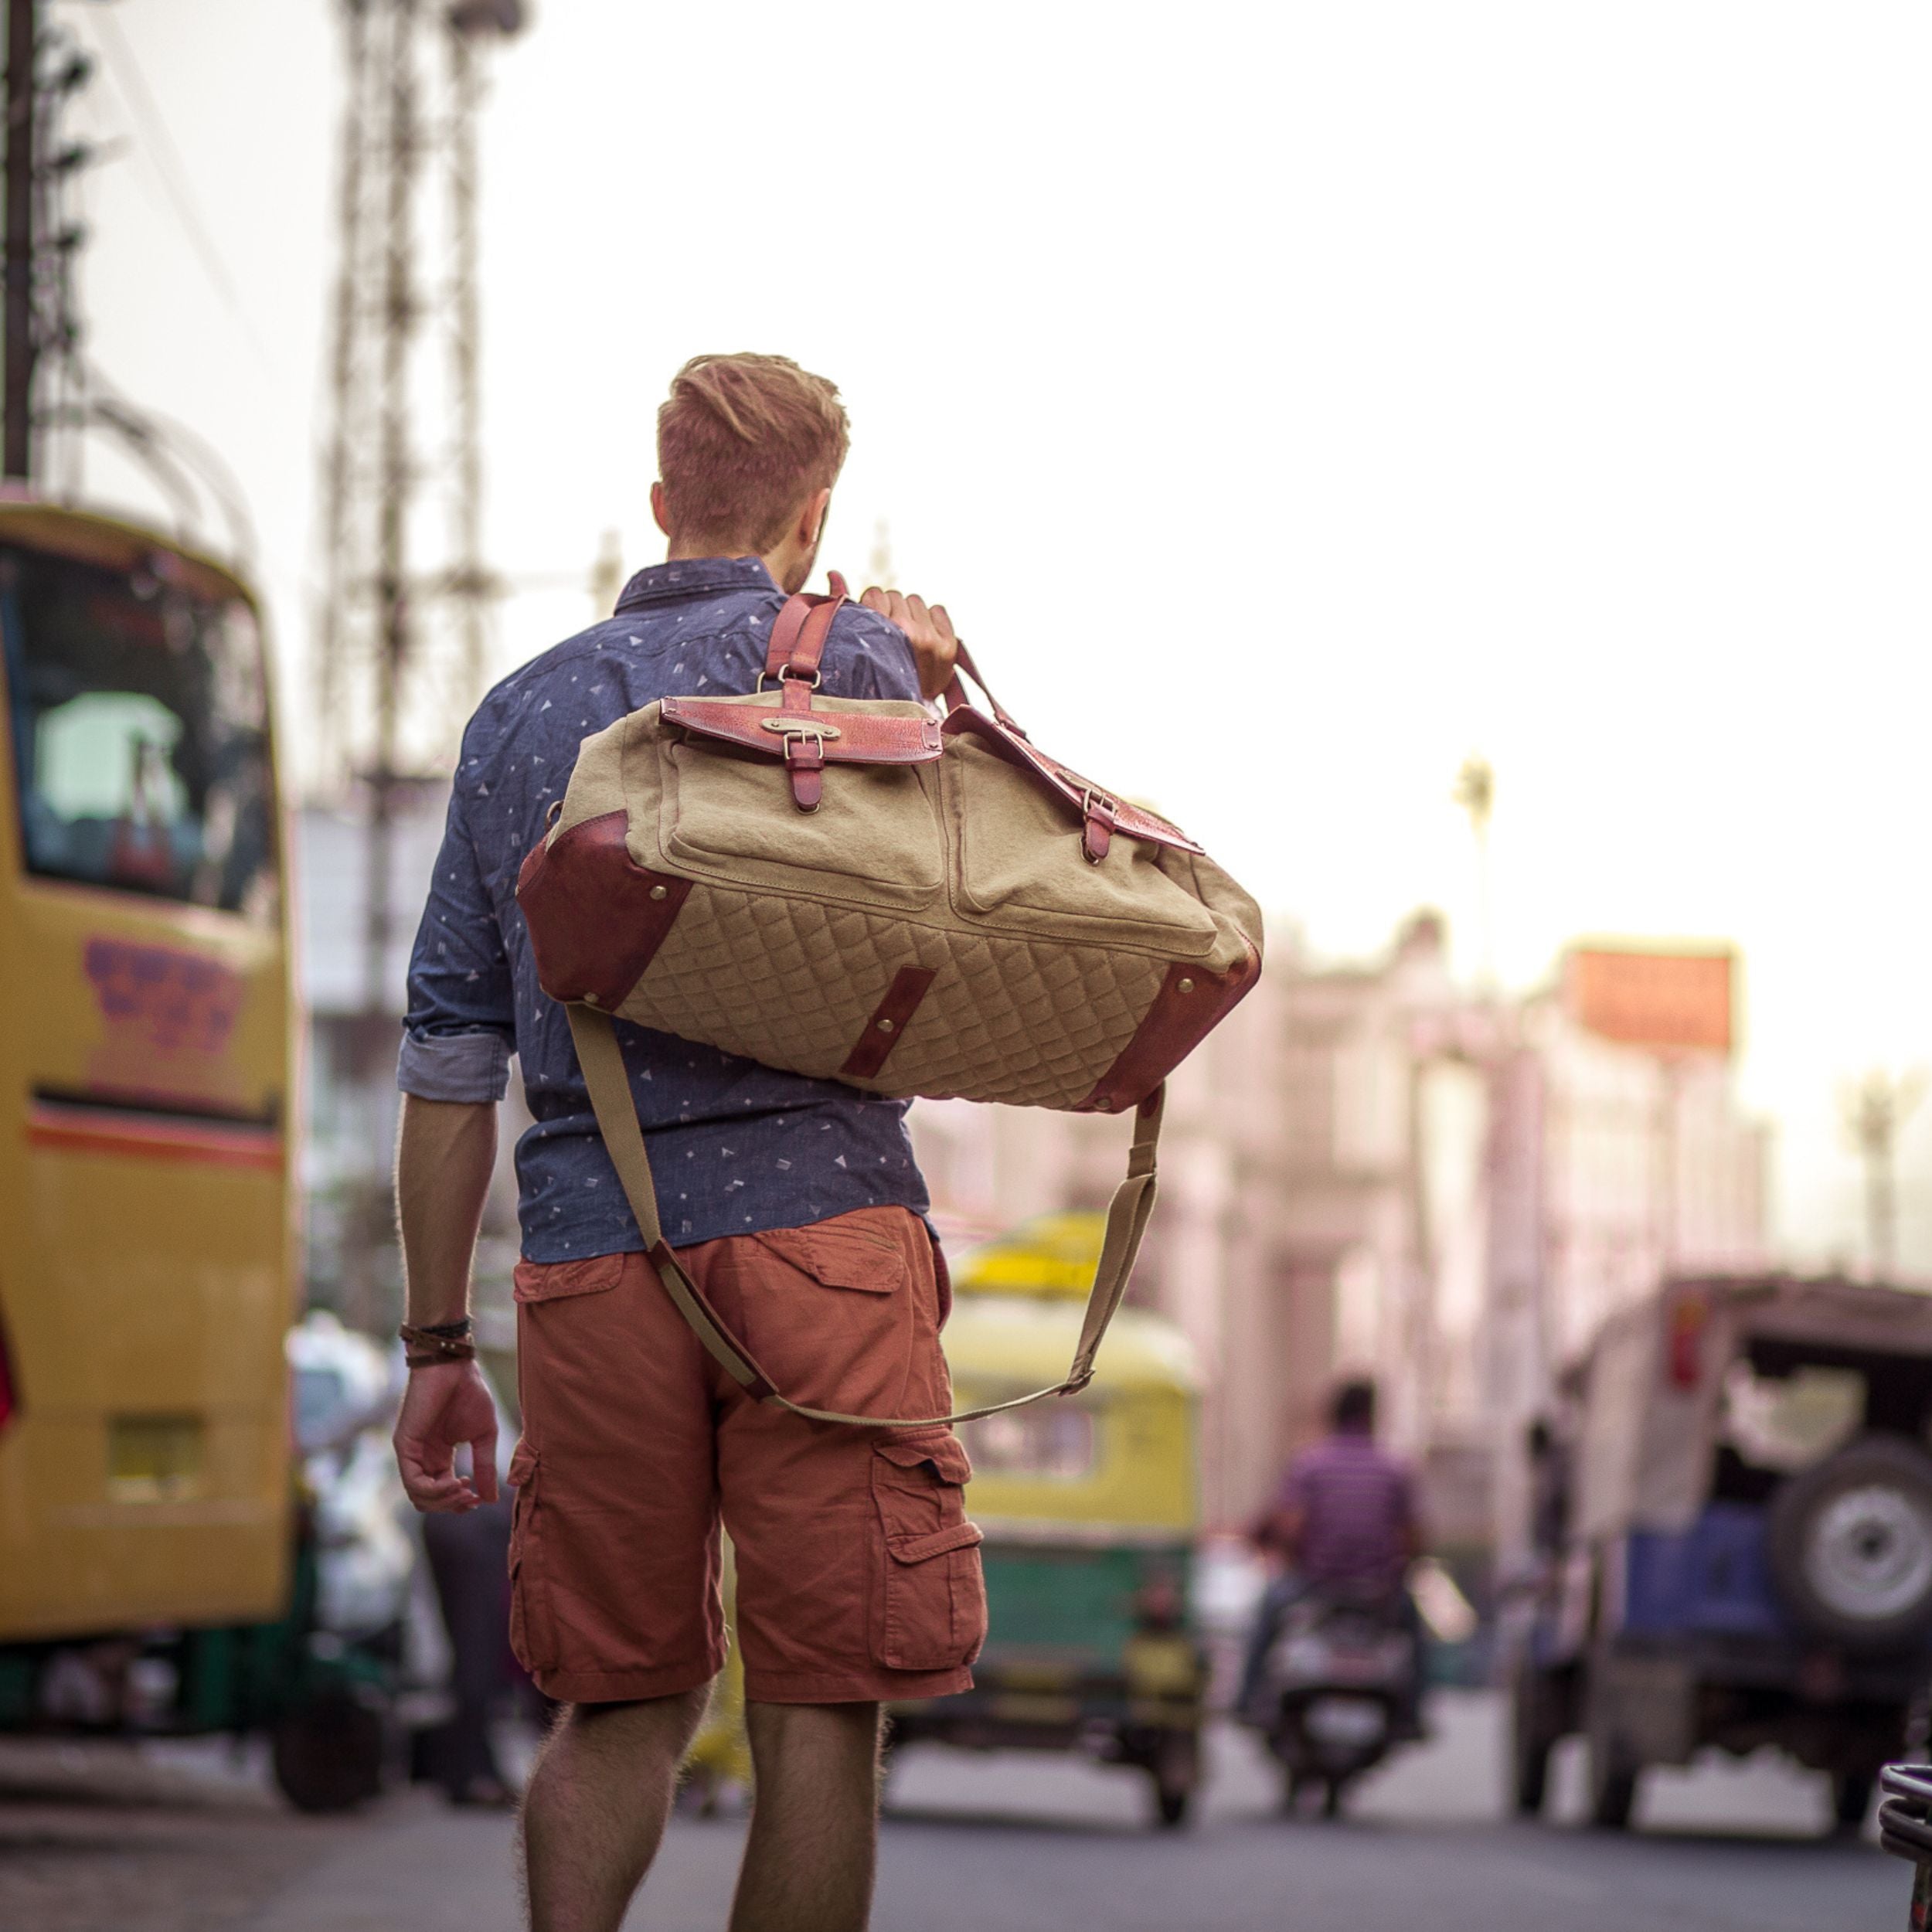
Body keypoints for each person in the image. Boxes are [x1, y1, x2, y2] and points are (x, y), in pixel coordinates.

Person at [387, 353, 981, 1932]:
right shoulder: (861, 659)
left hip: (594, 1255)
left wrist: (435, 1339)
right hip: (827, 1247)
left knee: (621, 1700)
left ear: (658, 505)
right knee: (815, 1704)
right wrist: (933, 680)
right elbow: (983, 915)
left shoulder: (516, 717)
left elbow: (449, 1057)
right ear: (813, 513)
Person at [1239, 1377, 1426, 1736]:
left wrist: (1281, 1551)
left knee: (1266, 1617)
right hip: (1378, 1592)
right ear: (1372, 1415)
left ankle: (1248, 1701)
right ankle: (1412, 1714)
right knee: (1415, 1633)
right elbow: (1414, 1537)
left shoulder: (1310, 1464)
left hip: (1315, 1587)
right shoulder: (1394, 1468)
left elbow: (1288, 1526)